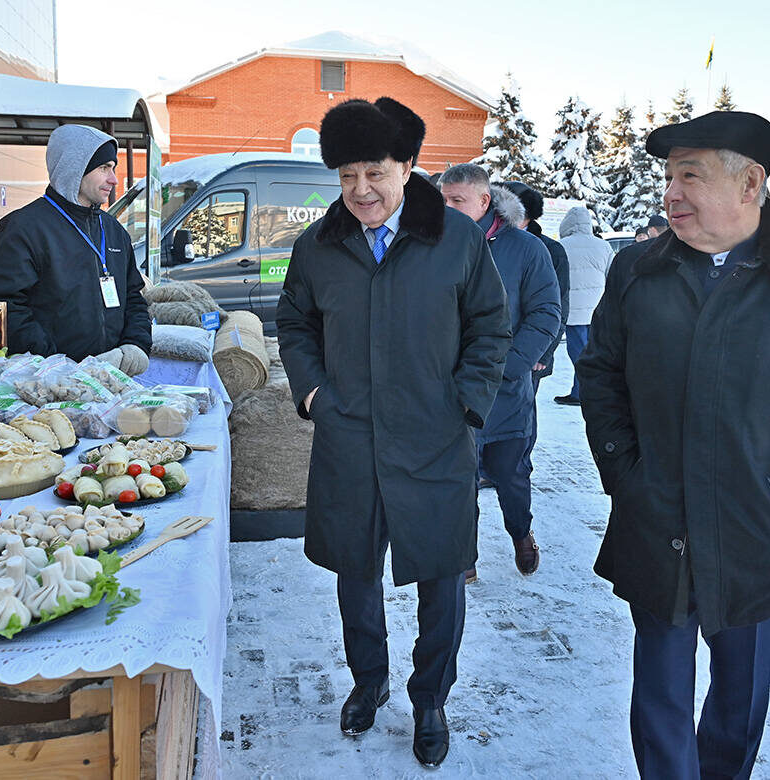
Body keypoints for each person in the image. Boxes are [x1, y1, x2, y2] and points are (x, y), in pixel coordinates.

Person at [576, 110, 770, 779]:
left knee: (740, 697)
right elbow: (602, 371)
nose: (671, 193)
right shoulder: (637, 268)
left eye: (689, 175)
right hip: (657, 517)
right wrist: (625, 475)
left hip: (762, 526)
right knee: (659, 691)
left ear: (750, 185)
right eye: (668, 176)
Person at [276, 97, 510, 768]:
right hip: (350, 439)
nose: (360, 190)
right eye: (347, 175)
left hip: (435, 441)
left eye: (375, 172)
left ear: (408, 167)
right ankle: (368, 682)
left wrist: (465, 404)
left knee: (440, 575)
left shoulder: (457, 240)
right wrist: (314, 391)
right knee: (355, 570)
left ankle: (431, 698)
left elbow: (491, 328)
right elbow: (295, 324)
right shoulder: (318, 246)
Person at [439, 165, 560, 578]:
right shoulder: (433, 245)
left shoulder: (526, 249)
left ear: (484, 201)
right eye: (443, 200)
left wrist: (509, 367)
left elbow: (546, 312)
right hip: (452, 393)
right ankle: (464, 556)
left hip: (506, 393)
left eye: (457, 201)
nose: (448, 208)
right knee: (459, 480)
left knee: (510, 476)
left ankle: (521, 533)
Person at [0, 124, 151, 373]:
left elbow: (134, 296)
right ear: (75, 168)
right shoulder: (23, 228)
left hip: (113, 377)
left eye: (113, 168)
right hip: (50, 386)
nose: (113, 179)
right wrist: (56, 364)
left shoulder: (113, 230)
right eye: (104, 168)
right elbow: (2, 307)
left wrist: (135, 346)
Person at [501, 180, 570, 485]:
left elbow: (557, 305)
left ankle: (518, 465)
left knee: (523, 412)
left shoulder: (550, 250)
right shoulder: (495, 241)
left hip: (533, 349)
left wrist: (544, 352)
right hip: (497, 348)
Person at [554, 206, 614, 406]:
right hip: (597, 310)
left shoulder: (561, 246)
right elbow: (611, 275)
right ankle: (582, 390)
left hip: (573, 311)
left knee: (578, 354)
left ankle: (582, 392)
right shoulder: (603, 246)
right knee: (593, 352)